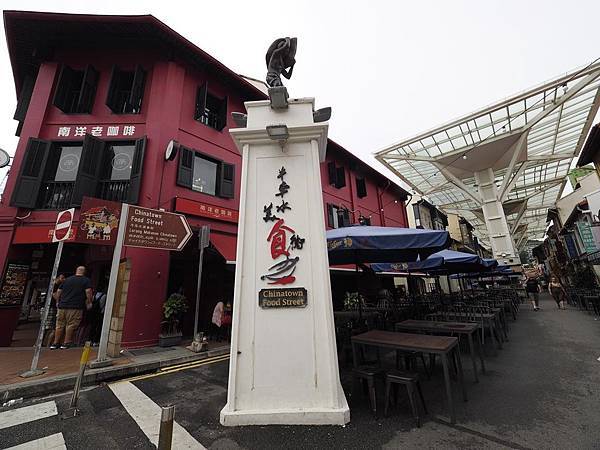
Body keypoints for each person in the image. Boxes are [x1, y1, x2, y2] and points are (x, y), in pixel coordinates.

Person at [50, 266, 93, 349]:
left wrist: (58, 302)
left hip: (62, 306)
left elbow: (58, 292)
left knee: (59, 325)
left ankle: (55, 343)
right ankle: (66, 342)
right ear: (84, 272)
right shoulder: (86, 280)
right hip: (75, 306)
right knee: (71, 324)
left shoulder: (67, 280)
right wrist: (89, 302)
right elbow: (88, 292)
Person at [43, 274, 65, 346]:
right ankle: (46, 344)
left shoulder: (54, 285)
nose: (63, 280)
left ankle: (45, 343)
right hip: (50, 307)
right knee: (50, 326)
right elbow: (55, 296)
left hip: (50, 307)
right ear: (58, 278)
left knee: (49, 326)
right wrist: (60, 301)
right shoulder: (54, 286)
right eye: (62, 278)